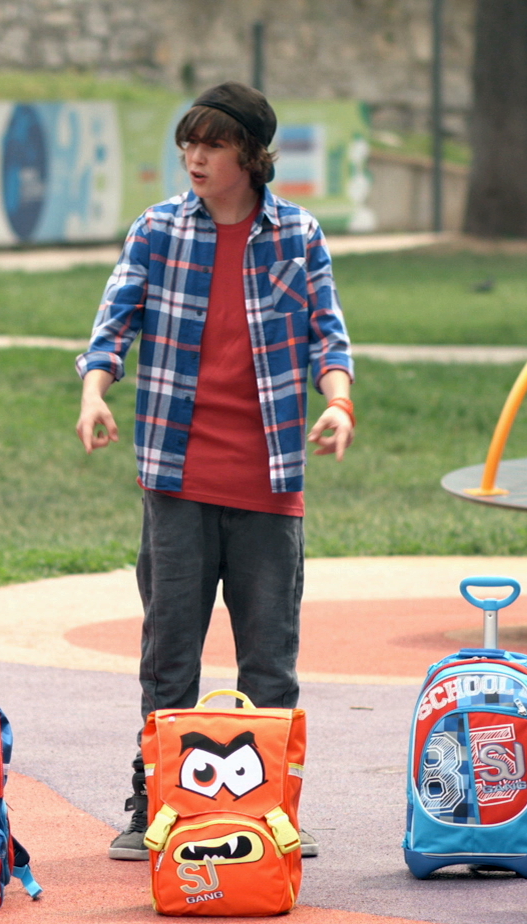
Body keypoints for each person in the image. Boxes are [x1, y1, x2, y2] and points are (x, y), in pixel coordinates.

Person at [74, 82, 355, 861]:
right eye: (188, 145)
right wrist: (94, 393)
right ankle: (157, 804)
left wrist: (339, 404)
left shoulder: (297, 235)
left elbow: (328, 336)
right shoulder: (159, 230)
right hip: (177, 480)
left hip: (268, 484)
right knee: (170, 655)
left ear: (251, 156)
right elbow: (113, 326)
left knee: (270, 663)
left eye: (213, 145)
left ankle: (270, 813)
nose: (195, 159)